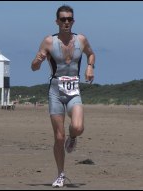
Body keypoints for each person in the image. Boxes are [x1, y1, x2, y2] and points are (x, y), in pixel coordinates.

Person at [31, 5, 95, 188]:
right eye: (63, 19)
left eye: (69, 19)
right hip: (55, 91)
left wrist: (90, 67)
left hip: (74, 90)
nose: (66, 22)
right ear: (57, 21)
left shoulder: (81, 39)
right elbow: (34, 67)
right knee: (59, 137)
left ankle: (73, 137)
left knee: (78, 127)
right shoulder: (49, 42)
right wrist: (37, 61)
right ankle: (60, 174)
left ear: (73, 21)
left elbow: (91, 54)